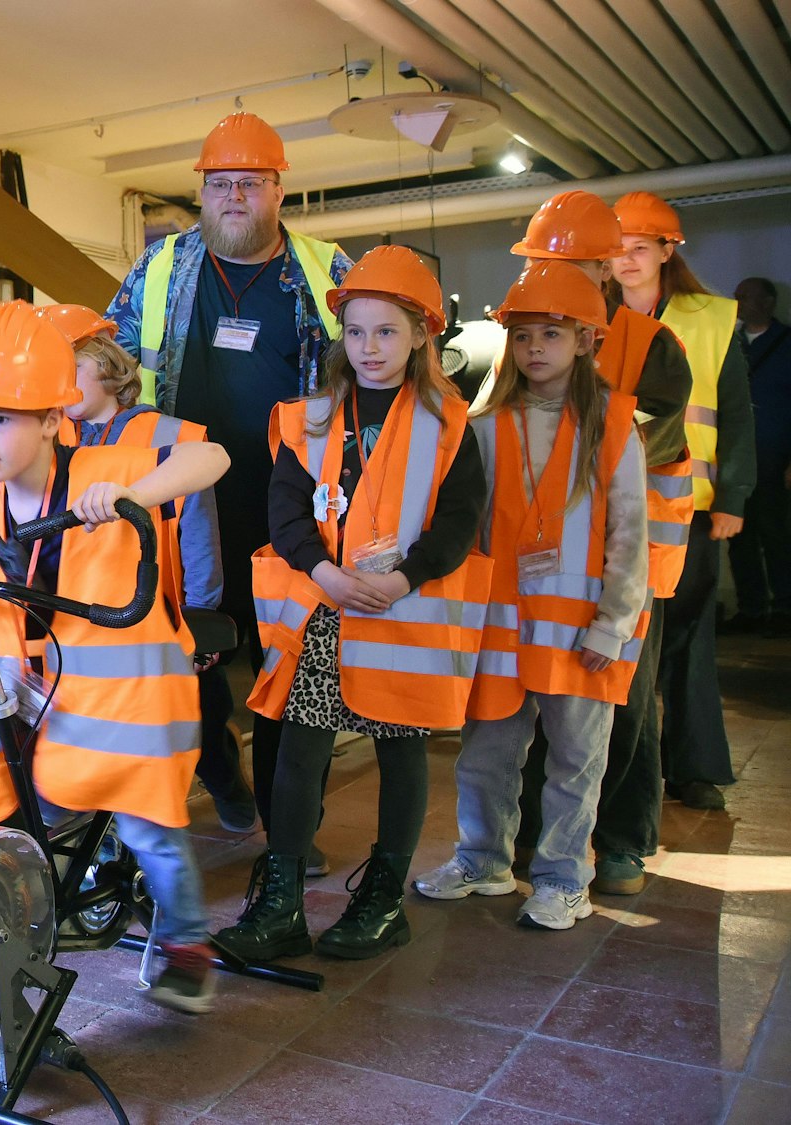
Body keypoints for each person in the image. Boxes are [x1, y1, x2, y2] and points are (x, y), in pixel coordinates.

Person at [0, 300, 231, 1013]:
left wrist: (130, 495)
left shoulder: (106, 464)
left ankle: (185, 942)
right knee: (3, 826)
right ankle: (16, 949)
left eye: (0, 419)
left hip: (117, 708)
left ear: (55, 419)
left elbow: (212, 456)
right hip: (11, 700)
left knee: (150, 822)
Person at [211, 247, 488, 962]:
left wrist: (408, 577)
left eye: (387, 332)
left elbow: (460, 519)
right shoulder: (310, 416)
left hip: (406, 612)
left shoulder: (451, 423)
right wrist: (324, 573)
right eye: (357, 332)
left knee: (402, 753)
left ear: (423, 334)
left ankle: (383, 899)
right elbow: (287, 509)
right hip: (324, 607)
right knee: (299, 753)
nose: (369, 347)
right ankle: (281, 903)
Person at [104, 112, 353, 873]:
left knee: (290, 672)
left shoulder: (327, 269)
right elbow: (107, 369)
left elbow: (381, 364)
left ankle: (288, 833)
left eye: (250, 182)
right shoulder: (158, 270)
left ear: (279, 189)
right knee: (190, 664)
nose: (234, 196)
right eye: (220, 184)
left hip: (296, 509)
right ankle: (224, 776)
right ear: (202, 192)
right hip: (184, 514)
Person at [415, 261, 649, 931]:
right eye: (523, 335)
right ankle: (483, 861)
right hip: (501, 628)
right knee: (485, 756)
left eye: (552, 333)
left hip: (583, 634)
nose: (535, 348)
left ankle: (562, 878)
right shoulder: (484, 426)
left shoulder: (613, 427)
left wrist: (613, 624)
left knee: (577, 763)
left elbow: (631, 534)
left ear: (586, 341)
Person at [501, 190, 693, 897]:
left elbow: (646, 439)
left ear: (607, 267)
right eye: (545, 262)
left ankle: (620, 844)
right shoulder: (525, 336)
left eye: (578, 262)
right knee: (533, 702)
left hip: (625, 565)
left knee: (624, 704)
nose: (564, 274)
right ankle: (528, 839)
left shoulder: (650, 344)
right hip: (538, 565)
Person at [40, 302, 256, 833]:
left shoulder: (171, 436)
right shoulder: (52, 445)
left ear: (110, 366)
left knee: (201, 723)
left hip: (168, 617)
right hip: (91, 620)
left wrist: (202, 618)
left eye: (72, 370)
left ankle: (231, 794)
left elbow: (198, 531)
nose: (63, 387)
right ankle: (117, 837)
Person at [607, 192, 756, 811]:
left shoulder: (712, 317)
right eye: (618, 249)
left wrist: (734, 496)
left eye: (641, 248)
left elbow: (740, 414)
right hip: (613, 506)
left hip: (689, 504)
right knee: (627, 641)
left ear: (669, 251)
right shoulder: (595, 314)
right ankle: (623, 775)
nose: (628, 260)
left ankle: (694, 768)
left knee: (688, 638)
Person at [727, 277, 791, 636]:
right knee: (740, 536)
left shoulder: (786, 344)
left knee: (776, 534)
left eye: (746, 296)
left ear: (768, 301)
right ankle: (751, 608)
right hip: (737, 460)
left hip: (774, 459)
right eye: (737, 296)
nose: (739, 302)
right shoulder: (729, 343)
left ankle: (783, 606)